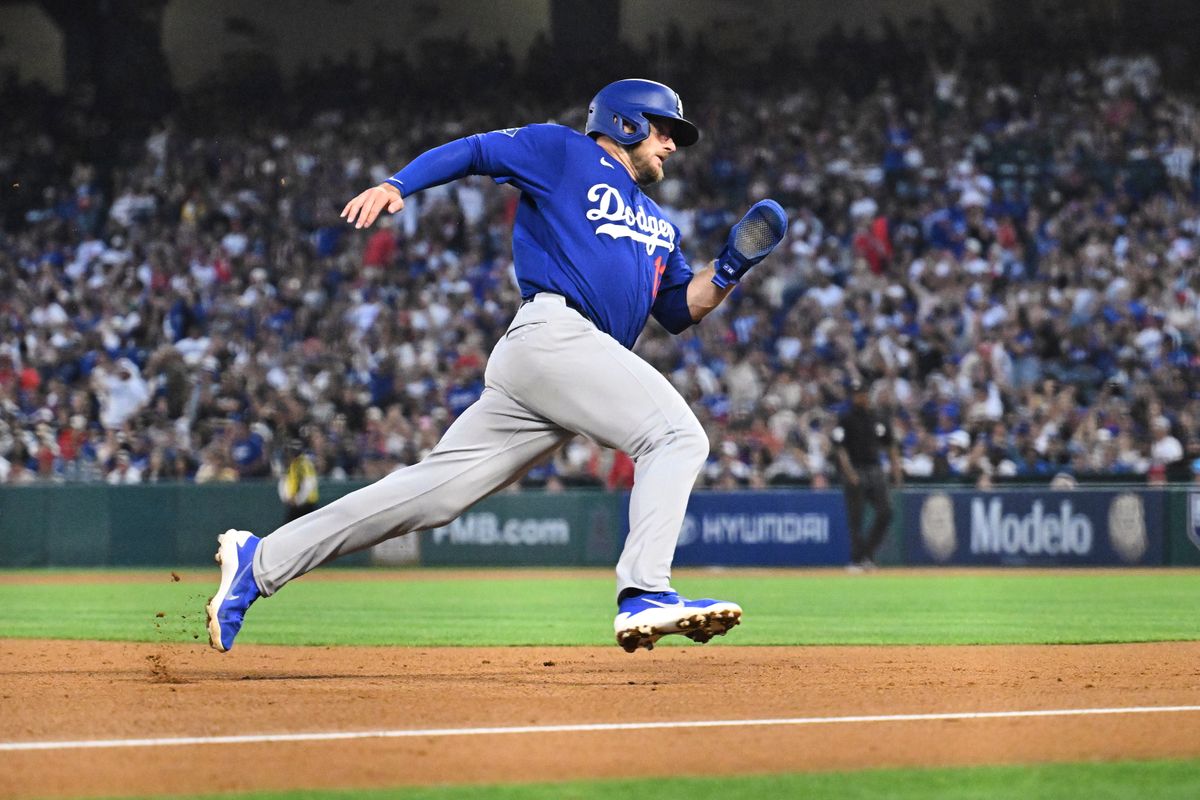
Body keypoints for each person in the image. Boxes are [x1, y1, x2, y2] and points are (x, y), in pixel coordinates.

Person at [206, 79, 788, 654]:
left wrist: (733, 266)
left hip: (564, 366)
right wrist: (397, 183)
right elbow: (477, 150)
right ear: (626, 123)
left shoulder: (662, 225)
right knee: (676, 436)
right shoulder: (564, 152)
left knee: (432, 496)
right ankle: (645, 592)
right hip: (554, 334)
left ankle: (261, 562)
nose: (671, 145)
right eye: (664, 130)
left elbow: (682, 310)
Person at [832, 378, 901, 570]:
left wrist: (896, 470)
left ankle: (867, 554)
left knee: (886, 512)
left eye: (861, 393)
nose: (859, 397)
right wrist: (849, 472)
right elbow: (840, 448)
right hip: (856, 468)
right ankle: (856, 560)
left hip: (875, 469)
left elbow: (890, 445)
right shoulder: (845, 418)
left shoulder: (878, 417)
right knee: (856, 517)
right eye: (855, 394)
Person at [277, 437, 319, 523]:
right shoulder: (292, 465)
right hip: (295, 504)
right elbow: (285, 481)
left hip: (306, 504)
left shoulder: (304, 464)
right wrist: (287, 497)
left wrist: (298, 499)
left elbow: (309, 484)